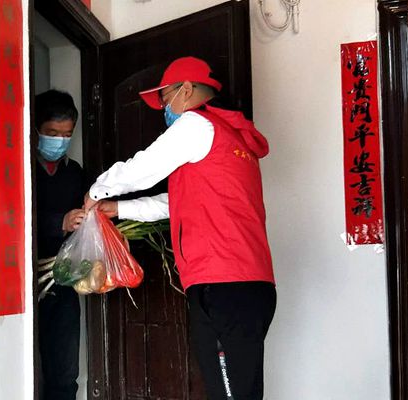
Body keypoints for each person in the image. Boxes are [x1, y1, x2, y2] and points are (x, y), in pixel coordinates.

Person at [84, 57, 276, 400]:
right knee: (236, 391)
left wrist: (97, 191)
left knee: (231, 394)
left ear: (186, 90)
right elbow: (177, 203)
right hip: (244, 284)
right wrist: (120, 208)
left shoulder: (196, 125)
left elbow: (143, 168)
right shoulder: (230, 139)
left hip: (223, 284)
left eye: (165, 100)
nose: (164, 111)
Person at [35, 89, 85, 400]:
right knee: (28, 363)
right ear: (35, 129)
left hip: (64, 280)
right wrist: (59, 222)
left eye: (66, 135)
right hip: (29, 279)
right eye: (52, 134)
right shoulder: (22, 169)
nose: (60, 141)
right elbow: (14, 217)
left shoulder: (74, 172)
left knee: (64, 370)